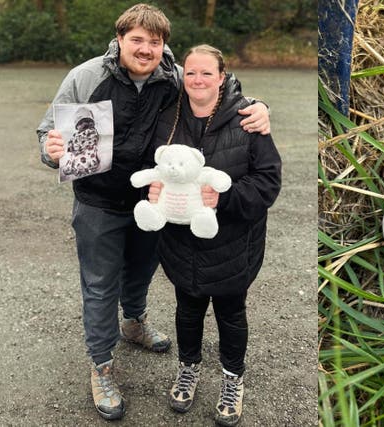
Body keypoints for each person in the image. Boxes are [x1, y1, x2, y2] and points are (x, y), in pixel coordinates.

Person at [35, 3, 270, 421]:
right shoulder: (87, 77)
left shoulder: (173, 77)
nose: (146, 49)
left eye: (155, 42)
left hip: (154, 206)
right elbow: (47, 131)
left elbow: (215, 88)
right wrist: (51, 151)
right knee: (100, 285)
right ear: (120, 38)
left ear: (164, 46)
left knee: (141, 272)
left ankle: (134, 322)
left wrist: (260, 106)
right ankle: (102, 366)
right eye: (137, 40)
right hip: (99, 203)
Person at [145, 44, 281, 426]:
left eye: (206, 73)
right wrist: (151, 191)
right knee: (187, 309)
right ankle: (189, 368)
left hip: (233, 244)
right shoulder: (168, 116)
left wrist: (226, 198)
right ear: (181, 76)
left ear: (222, 77)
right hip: (180, 241)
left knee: (230, 313)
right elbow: (152, 166)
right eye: (190, 73)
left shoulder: (248, 117)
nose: (198, 80)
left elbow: (268, 181)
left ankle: (233, 378)